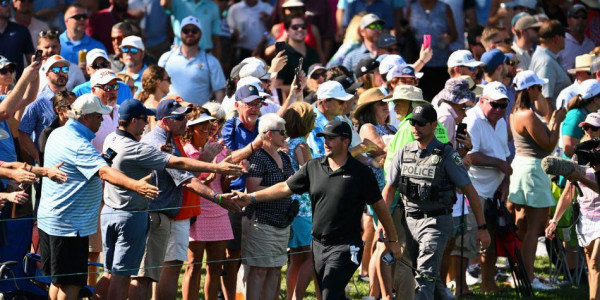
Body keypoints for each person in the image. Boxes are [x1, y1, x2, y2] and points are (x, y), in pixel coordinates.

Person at [234, 119, 403, 299]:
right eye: (324, 138)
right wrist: (250, 197)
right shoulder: (313, 167)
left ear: (346, 141)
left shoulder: (361, 173)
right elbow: (284, 188)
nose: (326, 142)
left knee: (330, 292)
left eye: (331, 138)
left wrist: (392, 240)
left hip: (346, 246)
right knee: (326, 294)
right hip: (318, 245)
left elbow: (380, 207)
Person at [95, 99, 242, 300]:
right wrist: (216, 171)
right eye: (180, 117)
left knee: (120, 273)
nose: (186, 121)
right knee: (140, 276)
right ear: (165, 121)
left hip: (125, 212)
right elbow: (182, 171)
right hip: (146, 215)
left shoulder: (114, 137)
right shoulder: (152, 145)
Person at [38, 94, 159, 300]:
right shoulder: (79, 144)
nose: (102, 120)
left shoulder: (58, 133)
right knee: (71, 285)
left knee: (57, 281)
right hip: (69, 228)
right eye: (98, 116)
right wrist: (135, 185)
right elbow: (104, 172)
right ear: (86, 117)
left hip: (51, 221)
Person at [382, 104, 491, 299]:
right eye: (413, 123)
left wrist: (482, 227)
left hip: (436, 222)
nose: (415, 127)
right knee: (426, 274)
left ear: (433, 125)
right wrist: (384, 223)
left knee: (424, 277)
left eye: (421, 124)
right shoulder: (403, 153)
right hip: (408, 222)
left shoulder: (447, 155)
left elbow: (470, 191)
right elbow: (389, 189)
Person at [509, 70, 566, 289]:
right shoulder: (527, 115)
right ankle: (528, 278)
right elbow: (549, 144)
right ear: (529, 89)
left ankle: (524, 274)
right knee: (535, 226)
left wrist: (550, 121)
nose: (540, 92)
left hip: (523, 169)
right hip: (533, 171)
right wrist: (556, 122)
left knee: (524, 225)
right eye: (538, 88)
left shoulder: (516, 113)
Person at [180, 106, 232, 300]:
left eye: (207, 123)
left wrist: (229, 175)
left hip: (219, 209)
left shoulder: (218, 146)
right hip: (196, 211)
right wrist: (206, 180)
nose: (206, 128)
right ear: (190, 128)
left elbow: (222, 182)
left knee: (216, 266)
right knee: (193, 266)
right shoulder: (185, 151)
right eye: (200, 125)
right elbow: (186, 182)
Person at [463, 81, 511, 294]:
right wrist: (498, 164)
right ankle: (460, 285)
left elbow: (504, 154)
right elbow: (470, 155)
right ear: (482, 100)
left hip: (494, 189)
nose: (500, 110)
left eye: (504, 105)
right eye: (495, 105)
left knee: (491, 238)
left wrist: (505, 180)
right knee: (470, 241)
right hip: (475, 189)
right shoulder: (471, 120)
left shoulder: (500, 120)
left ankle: (487, 283)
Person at [546, 111, 600, 300]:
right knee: (591, 267)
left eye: (594, 127)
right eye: (586, 127)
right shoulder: (580, 156)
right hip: (585, 215)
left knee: (595, 263)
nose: (589, 131)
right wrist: (554, 220)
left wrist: (578, 176)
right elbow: (569, 191)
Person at [281, 101, 317, 299]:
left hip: (292, 205)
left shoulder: (288, 142)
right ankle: (298, 297)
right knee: (313, 255)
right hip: (303, 207)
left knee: (296, 257)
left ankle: (291, 296)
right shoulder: (301, 144)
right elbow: (307, 172)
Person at [159, 16, 226, 105]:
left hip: (199, 116)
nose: (190, 33)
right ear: (180, 33)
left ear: (200, 34)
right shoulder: (166, 58)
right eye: (186, 30)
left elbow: (220, 91)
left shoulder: (211, 62)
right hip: (170, 115)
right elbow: (157, 86)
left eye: (194, 31)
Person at [18, 55, 69, 162]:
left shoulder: (75, 99)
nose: (61, 73)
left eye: (64, 69)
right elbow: (23, 134)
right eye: (55, 70)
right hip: (48, 163)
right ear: (46, 75)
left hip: (71, 160)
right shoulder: (37, 101)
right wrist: (39, 157)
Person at [408, 0, 457, 100]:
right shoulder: (412, 8)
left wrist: (448, 39)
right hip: (419, 65)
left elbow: (454, 34)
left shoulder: (444, 8)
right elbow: (405, 32)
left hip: (441, 65)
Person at [274, 15, 320, 99]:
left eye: (303, 26)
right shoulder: (283, 54)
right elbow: (276, 87)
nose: (300, 29)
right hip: (293, 104)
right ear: (287, 31)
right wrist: (304, 87)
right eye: (295, 27)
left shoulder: (312, 51)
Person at [529, 20, 570, 109]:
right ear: (556, 38)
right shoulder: (546, 62)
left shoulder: (545, 58)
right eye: (563, 35)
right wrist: (551, 123)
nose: (565, 38)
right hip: (549, 121)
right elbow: (544, 100)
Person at [561, 79, 600, 158]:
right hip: (574, 168)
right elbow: (569, 149)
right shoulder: (575, 116)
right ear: (595, 100)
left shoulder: (590, 113)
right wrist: (593, 158)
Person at [38, 91, 76, 166]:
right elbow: (44, 164)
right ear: (58, 110)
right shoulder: (48, 133)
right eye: (71, 107)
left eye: (77, 105)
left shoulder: (81, 128)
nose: (76, 110)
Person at [0, 0, 34, 79]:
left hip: (17, 86)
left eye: (9, 3)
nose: (8, 6)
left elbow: (32, 63)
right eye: (4, 3)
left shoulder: (22, 31)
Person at [558, 4, 595, 71]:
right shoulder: (560, 41)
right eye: (576, 16)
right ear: (568, 20)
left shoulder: (591, 45)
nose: (580, 19)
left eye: (584, 17)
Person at [138, 65, 171, 131]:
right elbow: (156, 135)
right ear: (158, 82)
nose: (170, 83)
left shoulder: (148, 102)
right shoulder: (155, 106)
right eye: (168, 79)